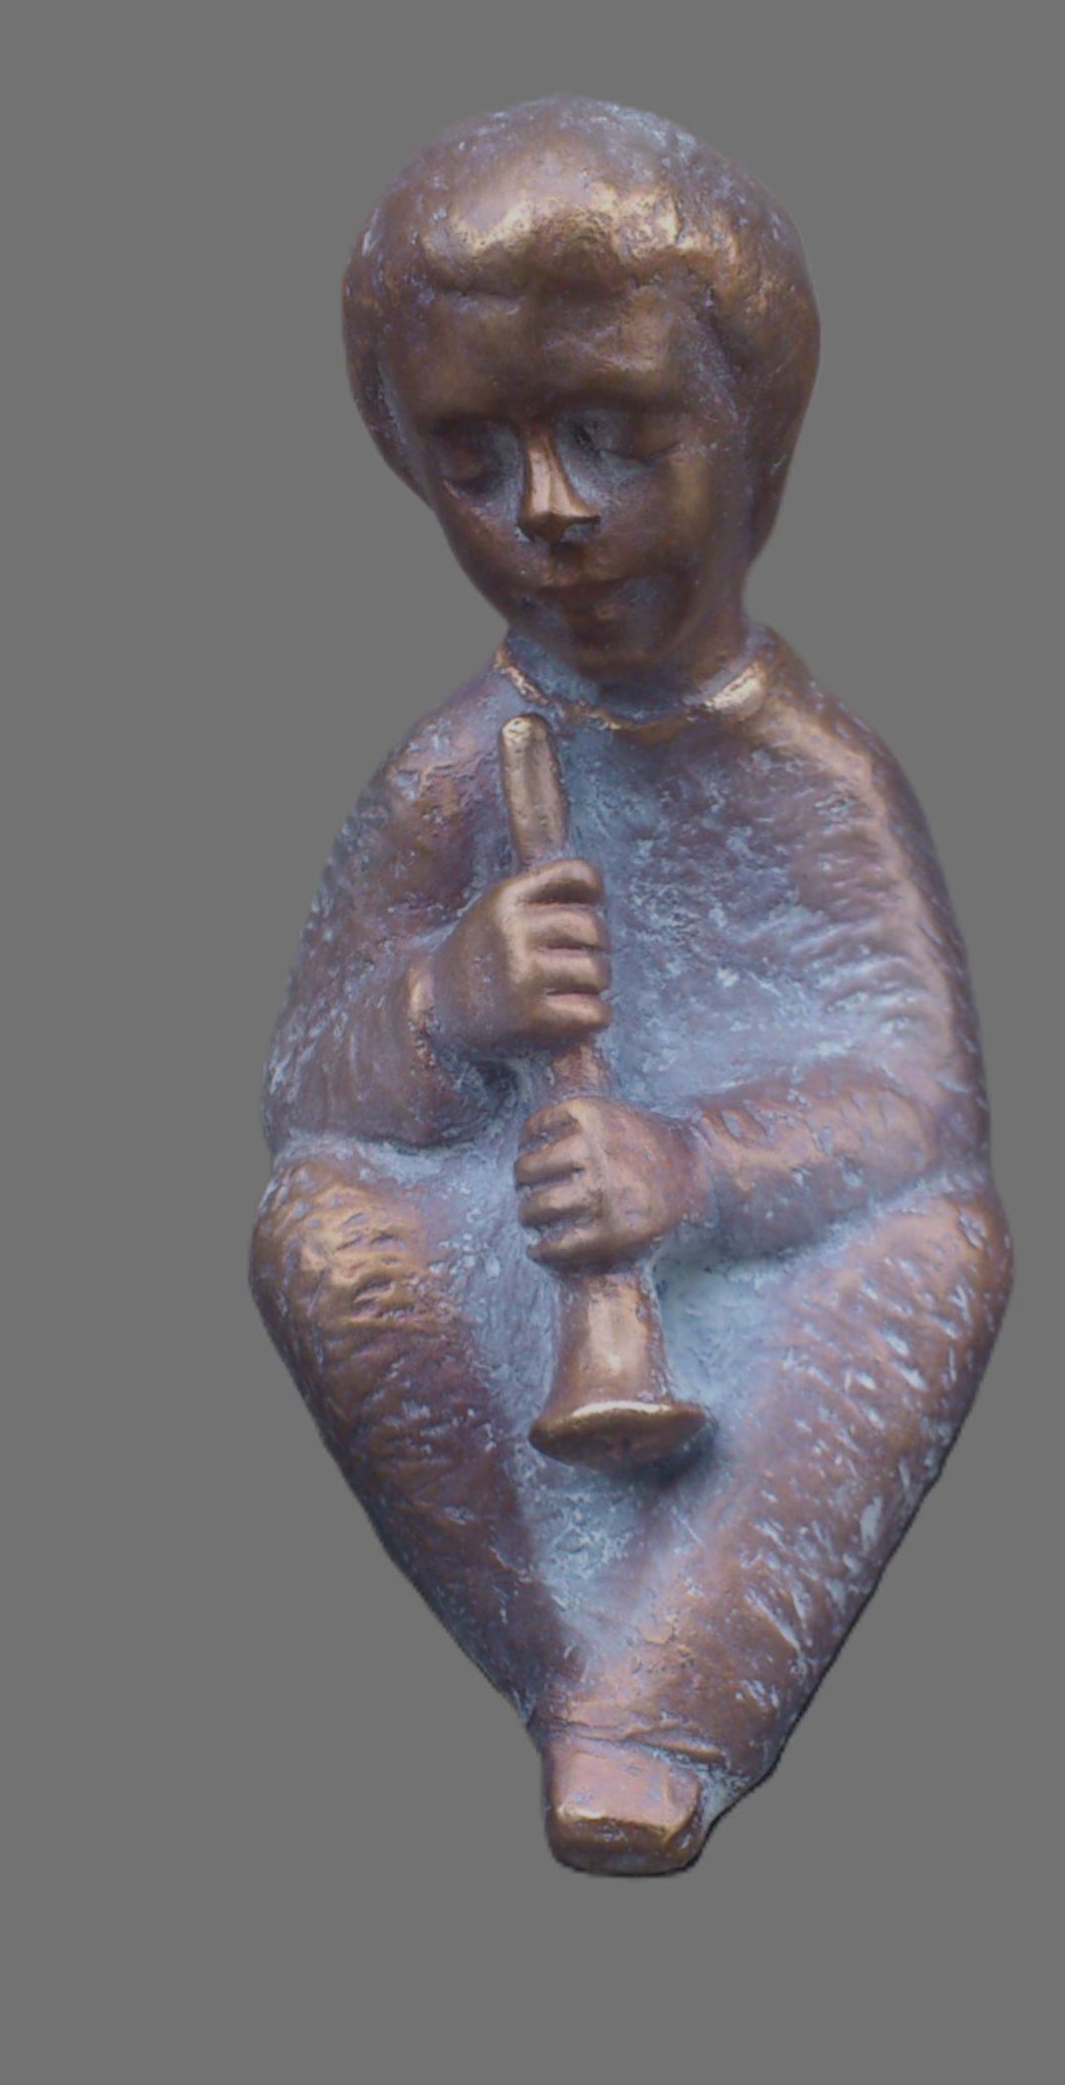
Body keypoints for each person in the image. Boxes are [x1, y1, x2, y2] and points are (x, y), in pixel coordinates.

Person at [252, 97, 1011, 1872]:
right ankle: (587, 1675)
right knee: (320, 1230)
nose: (547, 511)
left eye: (611, 438)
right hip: (517, 1238)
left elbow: (919, 1108)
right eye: (473, 459)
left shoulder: (816, 775)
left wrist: (697, 1170)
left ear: (755, 436)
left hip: (724, 1225)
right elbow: (308, 1089)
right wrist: (446, 1005)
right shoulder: (460, 771)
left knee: (938, 1258)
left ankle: (676, 1701)